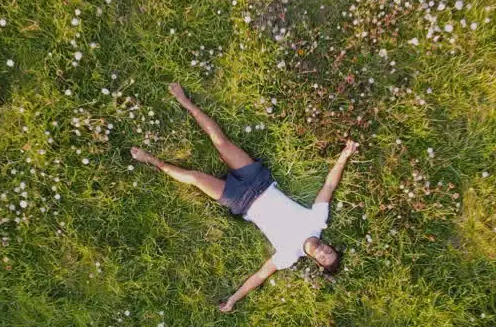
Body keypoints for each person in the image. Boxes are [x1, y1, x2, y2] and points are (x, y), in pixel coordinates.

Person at [131, 83, 359, 312]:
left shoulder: (289, 256)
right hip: (259, 181)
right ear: (329, 245)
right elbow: (329, 185)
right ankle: (185, 101)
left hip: (242, 201)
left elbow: (260, 275)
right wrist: (344, 156)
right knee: (221, 143)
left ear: (317, 263)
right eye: (328, 251)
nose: (323, 251)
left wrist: (233, 299)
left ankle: (152, 160)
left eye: (323, 258)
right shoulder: (317, 222)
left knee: (195, 179)